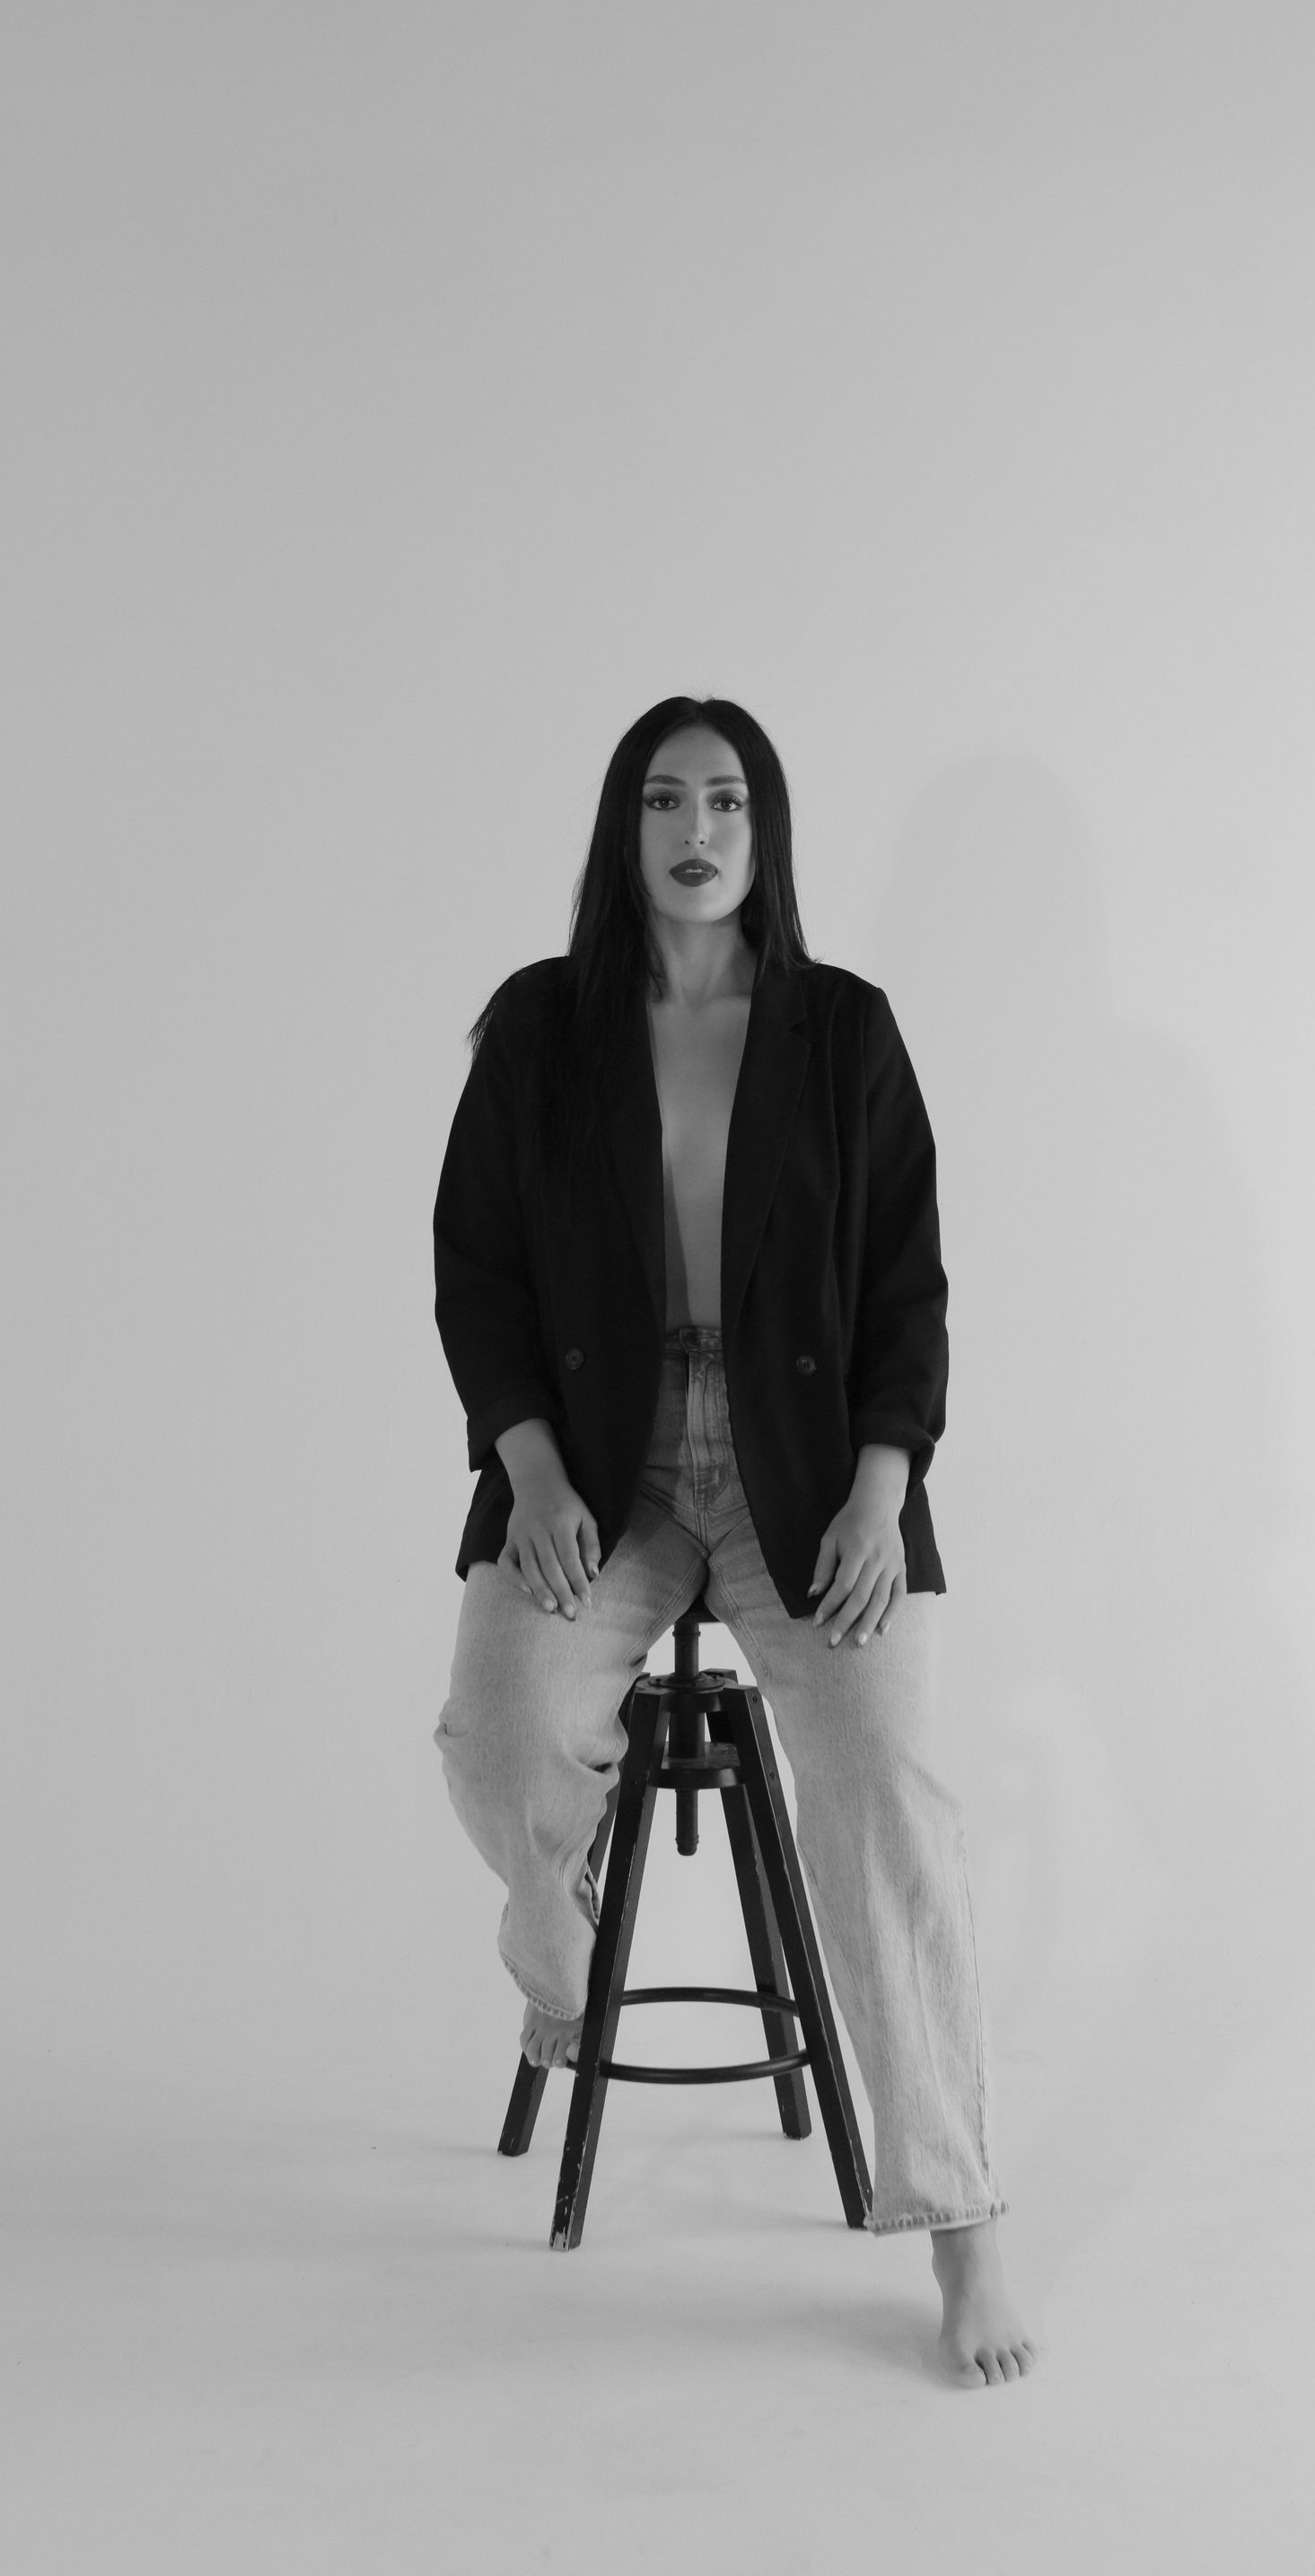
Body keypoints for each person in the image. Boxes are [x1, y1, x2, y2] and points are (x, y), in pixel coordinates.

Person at [432, 694, 1035, 2388]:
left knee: (888, 1799)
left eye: (726, 802)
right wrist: (532, 1471)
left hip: (813, 1478)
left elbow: (908, 1283)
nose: (695, 832)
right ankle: (559, 1957)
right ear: (621, 829)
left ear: (766, 832)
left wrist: (881, 1489)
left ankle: (963, 2223)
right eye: (662, 801)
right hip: (598, 1469)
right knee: (499, 1737)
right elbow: (476, 1269)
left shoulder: (845, 1032)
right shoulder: (541, 1027)